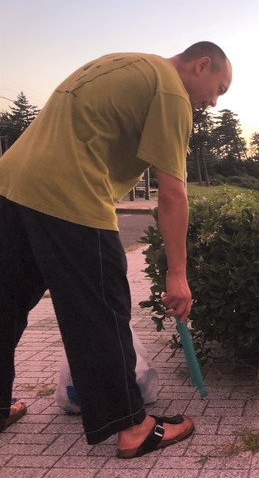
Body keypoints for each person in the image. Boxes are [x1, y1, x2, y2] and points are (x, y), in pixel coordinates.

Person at [0, 42, 232, 457]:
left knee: (5, 301)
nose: (213, 102)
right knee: (101, 312)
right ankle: (132, 426)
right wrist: (177, 274)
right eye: (219, 88)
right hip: (71, 195)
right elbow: (173, 194)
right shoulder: (171, 91)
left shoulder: (124, 62)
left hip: (11, 185)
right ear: (202, 65)